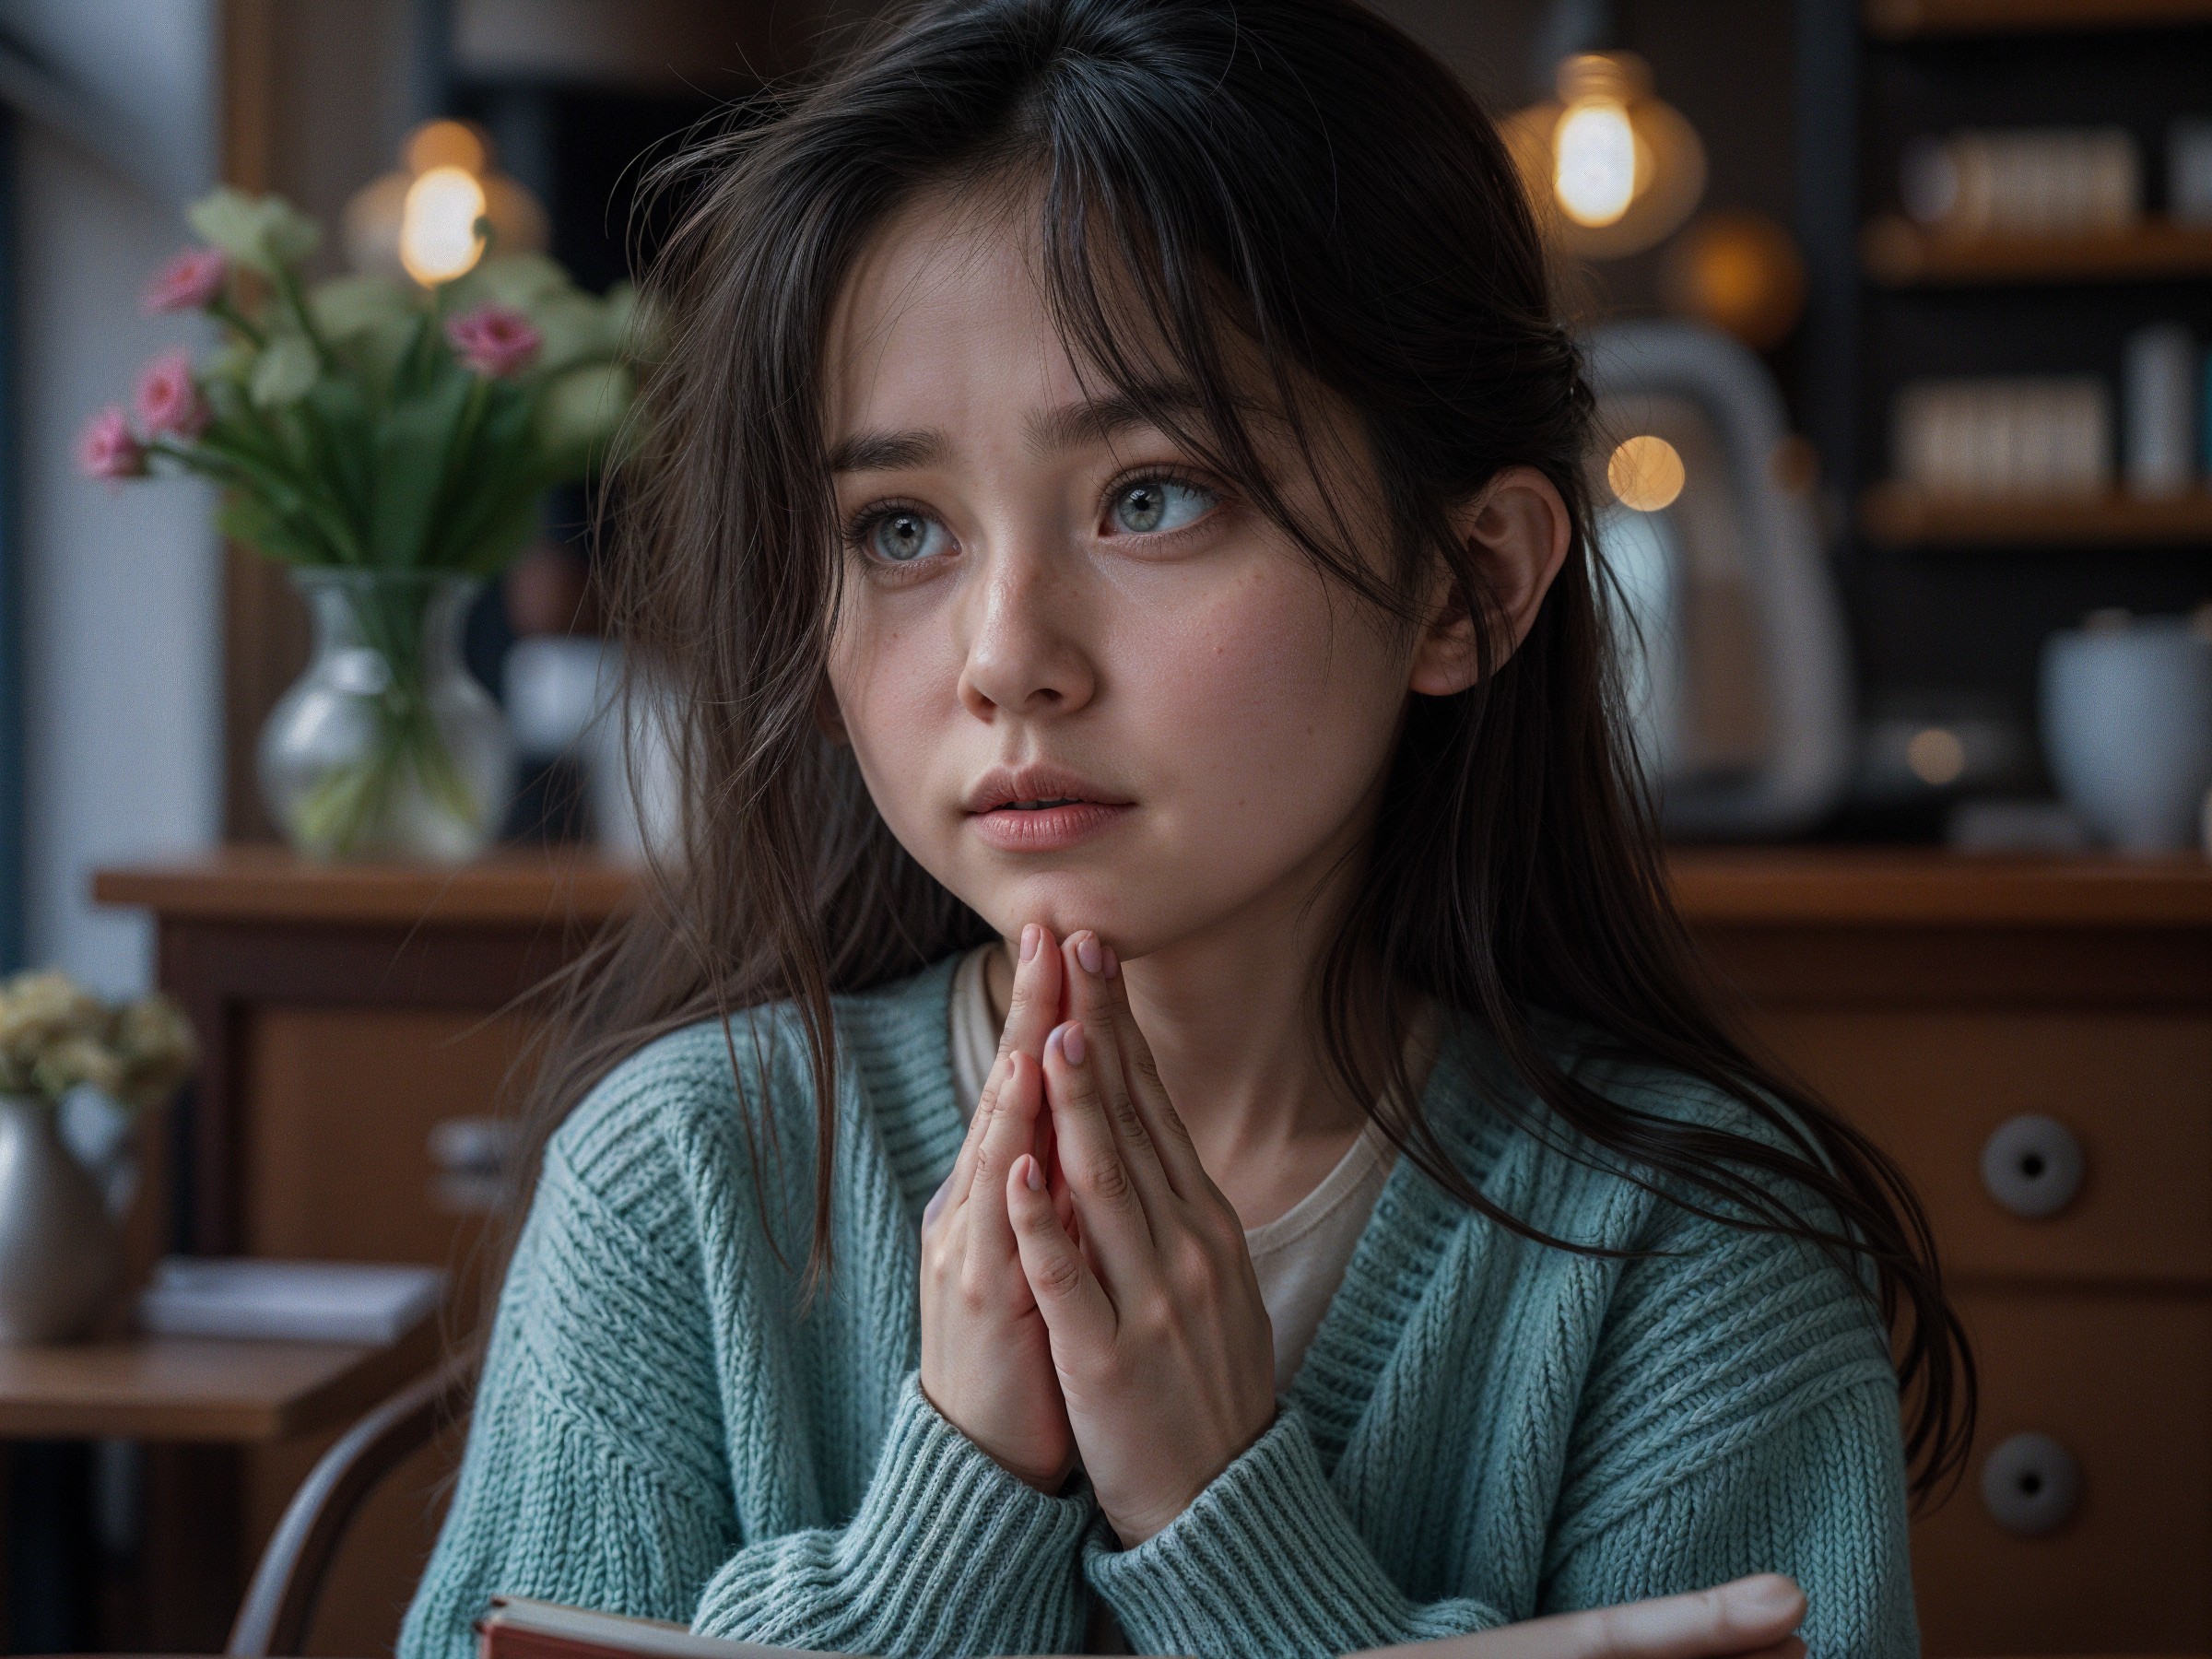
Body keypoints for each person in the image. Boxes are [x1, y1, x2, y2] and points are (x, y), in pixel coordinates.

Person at [398, 2, 1970, 1656]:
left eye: (1151, 497)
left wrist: (1228, 1520)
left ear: (1470, 584)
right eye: (901, 528)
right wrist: (957, 1506)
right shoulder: (677, 1182)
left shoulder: (1695, 1260)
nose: (1006, 657)